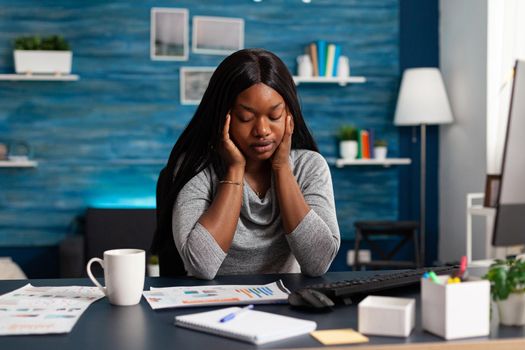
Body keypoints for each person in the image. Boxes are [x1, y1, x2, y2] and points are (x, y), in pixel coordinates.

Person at [151, 48, 340, 279]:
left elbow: (318, 263)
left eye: (274, 116)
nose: (262, 131)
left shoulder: (309, 167)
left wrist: (282, 169)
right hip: (210, 308)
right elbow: (201, 265)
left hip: (285, 308)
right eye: (245, 118)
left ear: (289, 115)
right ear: (223, 117)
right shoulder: (195, 168)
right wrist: (234, 170)